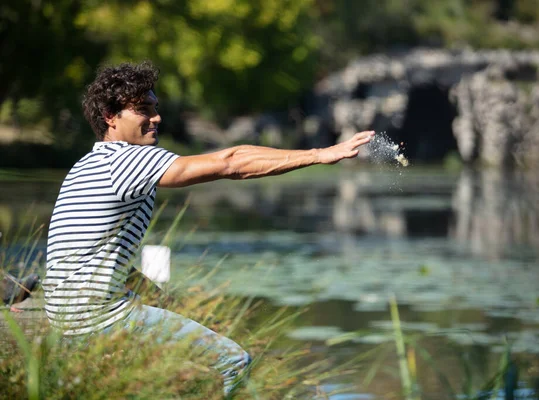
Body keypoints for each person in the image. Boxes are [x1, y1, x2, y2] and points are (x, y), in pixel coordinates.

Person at [41, 61, 374, 397]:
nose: (155, 117)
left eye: (155, 108)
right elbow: (231, 162)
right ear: (111, 117)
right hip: (97, 318)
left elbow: (92, 253)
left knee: (166, 375)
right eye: (143, 110)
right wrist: (319, 154)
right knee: (234, 361)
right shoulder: (126, 159)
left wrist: (148, 291)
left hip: (68, 316)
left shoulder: (88, 163)